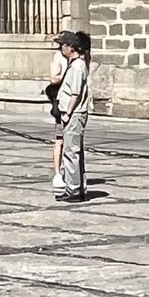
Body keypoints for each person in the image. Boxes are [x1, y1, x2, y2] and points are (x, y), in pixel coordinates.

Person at [55, 29, 91, 203]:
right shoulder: (74, 64)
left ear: (71, 47)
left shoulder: (77, 66)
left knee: (71, 152)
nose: (61, 49)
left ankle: (74, 189)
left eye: (62, 45)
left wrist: (68, 113)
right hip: (73, 113)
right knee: (73, 151)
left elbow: (75, 93)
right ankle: (75, 186)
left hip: (74, 114)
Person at [44, 30, 71, 191]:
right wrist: (68, 74)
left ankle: (71, 171)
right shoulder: (58, 57)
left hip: (72, 102)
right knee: (60, 139)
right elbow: (53, 78)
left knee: (72, 139)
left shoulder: (76, 58)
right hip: (61, 101)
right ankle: (57, 173)